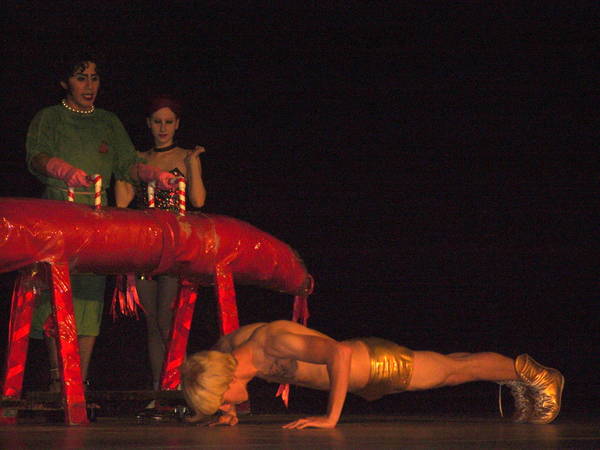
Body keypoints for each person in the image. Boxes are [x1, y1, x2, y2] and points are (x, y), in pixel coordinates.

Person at [26, 50, 180, 392]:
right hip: (59, 217)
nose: (89, 85)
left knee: (89, 299)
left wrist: (153, 175)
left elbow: (127, 164)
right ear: (65, 82)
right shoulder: (49, 117)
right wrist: (62, 169)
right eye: (81, 78)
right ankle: (59, 382)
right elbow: (35, 157)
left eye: (94, 78)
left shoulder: (108, 121)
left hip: (97, 223)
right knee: (56, 297)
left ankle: (78, 384)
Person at [181, 320, 564, 429]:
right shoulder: (230, 351)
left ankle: (538, 375)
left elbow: (339, 353)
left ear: (229, 381)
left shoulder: (271, 343)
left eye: (221, 401)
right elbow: (209, 364)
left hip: (377, 365)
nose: (224, 406)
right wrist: (228, 411)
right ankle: (519, 376)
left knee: (454, 370)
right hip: (363, 381)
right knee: (453, 364)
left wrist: (330, 417)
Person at [116, 94, 206, 397]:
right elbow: (122, 202)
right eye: (157, 122)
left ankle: (179, 386)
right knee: (152, 322)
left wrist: (192, 164)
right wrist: (120, 166)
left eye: (168, 122)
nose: (163, 128)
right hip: (146, 249)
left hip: (176, 247)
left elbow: (198, 200)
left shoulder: (186, 156)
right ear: (149, 123)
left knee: (169, 321)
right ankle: (160, 391)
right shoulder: (140, 159)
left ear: (177, 124)